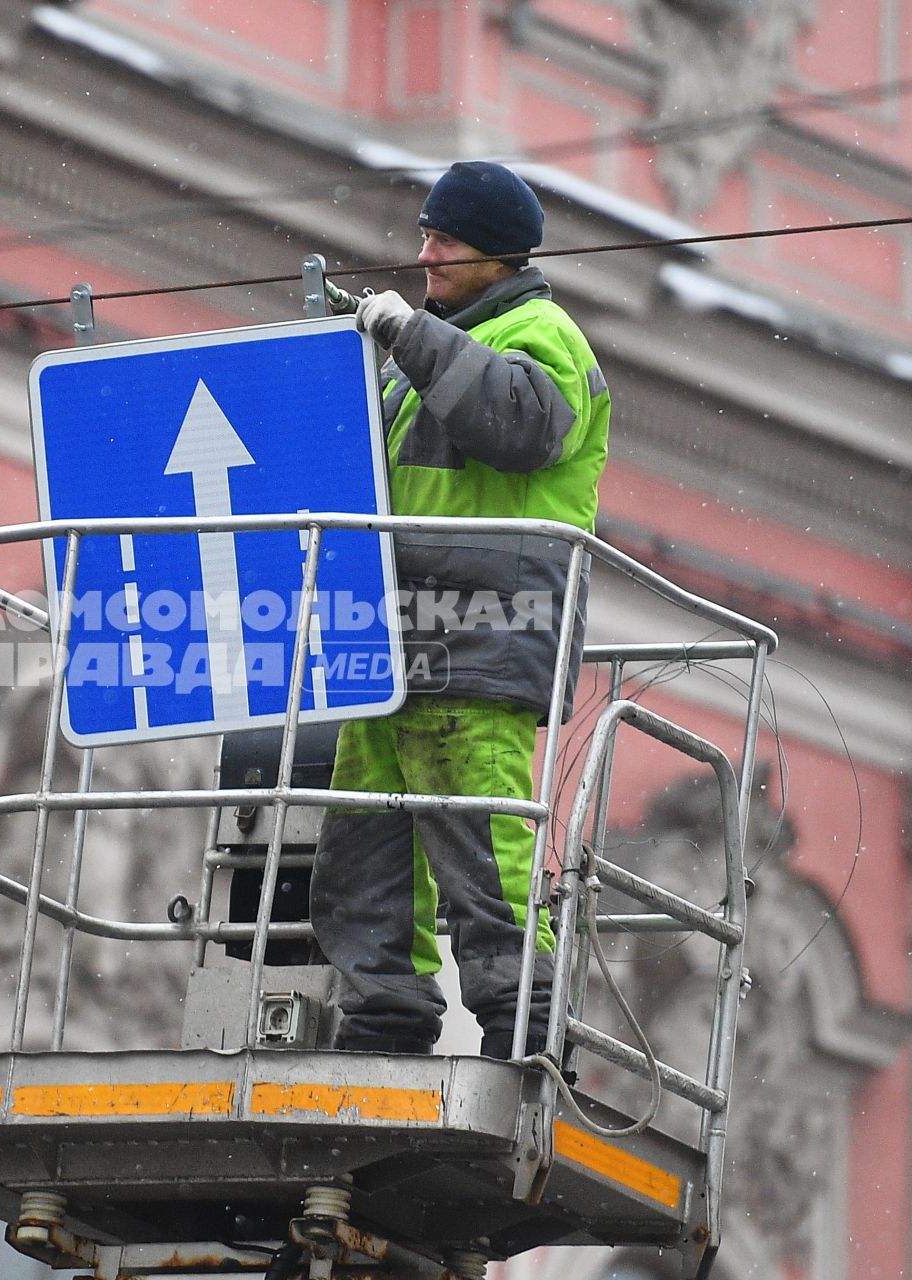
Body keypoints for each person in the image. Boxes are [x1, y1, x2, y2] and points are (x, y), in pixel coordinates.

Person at [310, 161, 611, 1059]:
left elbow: (516, 423)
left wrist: (408, 336)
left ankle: (525, 1022)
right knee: (365, 842)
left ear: (496, 252)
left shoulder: (544, 333)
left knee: (483, 848)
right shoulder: (430, 353)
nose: (424, 252)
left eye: (443, 239)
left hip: (484, 636)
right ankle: (384, 1018)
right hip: (391, 641)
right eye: (424, 233)